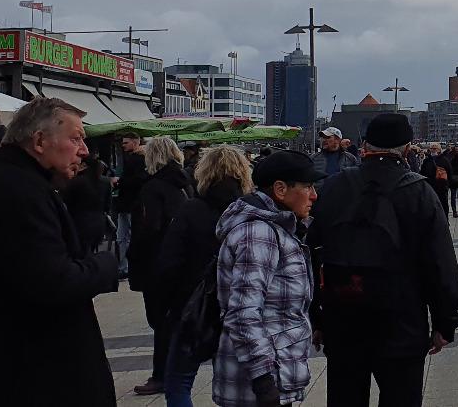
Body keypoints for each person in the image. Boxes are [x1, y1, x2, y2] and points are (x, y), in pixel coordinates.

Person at [0, 97, 119, 407]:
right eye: (75, 138)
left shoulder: (10, 181)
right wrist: (104, 264)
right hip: (23, 376)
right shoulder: (14, 190)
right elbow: (53, 281)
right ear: (40, 141)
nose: (83, 150)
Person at [311, 112, 458, 407]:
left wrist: (316, 317)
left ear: (365, 145)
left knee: (345, 397)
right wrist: (445, 322)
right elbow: (439, 263)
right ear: (407, 148)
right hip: (401, 321)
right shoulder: (418, 191)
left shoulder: (334, 187)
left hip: (343, 317)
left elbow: (312, 253)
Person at [213, 150, 322, 407]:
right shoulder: (258, 234)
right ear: (280, 190)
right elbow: (243, 312)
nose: (314, 195)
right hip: (259, 385)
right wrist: (264, 380)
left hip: (274, 374)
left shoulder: (277, 229)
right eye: (307, 186)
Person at [157, 146, 253, 407]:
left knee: (178, 380)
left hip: (193, 308)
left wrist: (169, 308)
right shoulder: (249, 212)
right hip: (238, 308)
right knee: (240, 387)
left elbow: (169, 264)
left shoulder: (191, 210)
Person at [130, 137, 198, 396]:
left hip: (156, 263)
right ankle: (173, 370)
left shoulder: (153, 188)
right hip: (180, 261)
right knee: (171, 320)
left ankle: (161, 374)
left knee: (160, 321)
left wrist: (134, 255)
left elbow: (148, 229)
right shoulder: (184, 184)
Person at [64, 152, 112, 254]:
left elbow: (66, 201)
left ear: (83, 165)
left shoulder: (75, 182)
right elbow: (107, 205)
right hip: (98, 223)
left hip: (78, 224)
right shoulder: (105, 183)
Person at [116, 131, 147, 279]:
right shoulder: (142, 159)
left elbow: (135, 180)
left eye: (126, 142)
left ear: (135, 142)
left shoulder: (135, 159)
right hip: (132, 204)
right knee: (126, 236)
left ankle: (124, 267)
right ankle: (125, 266)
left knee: (124, 236)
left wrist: (120, 182)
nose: (123, 145)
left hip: (130, 203)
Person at [420, 143, 451, 217]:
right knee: (431, 205)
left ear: (439, 150)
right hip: (430, 187)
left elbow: (450, 172)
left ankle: (445, 220)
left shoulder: (444, 160)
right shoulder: (426, 161)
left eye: (435, 148)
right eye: (432, 148)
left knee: (443, 204)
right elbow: (422, 173)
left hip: (442, 187)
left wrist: (447, 184)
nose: (433, 150)